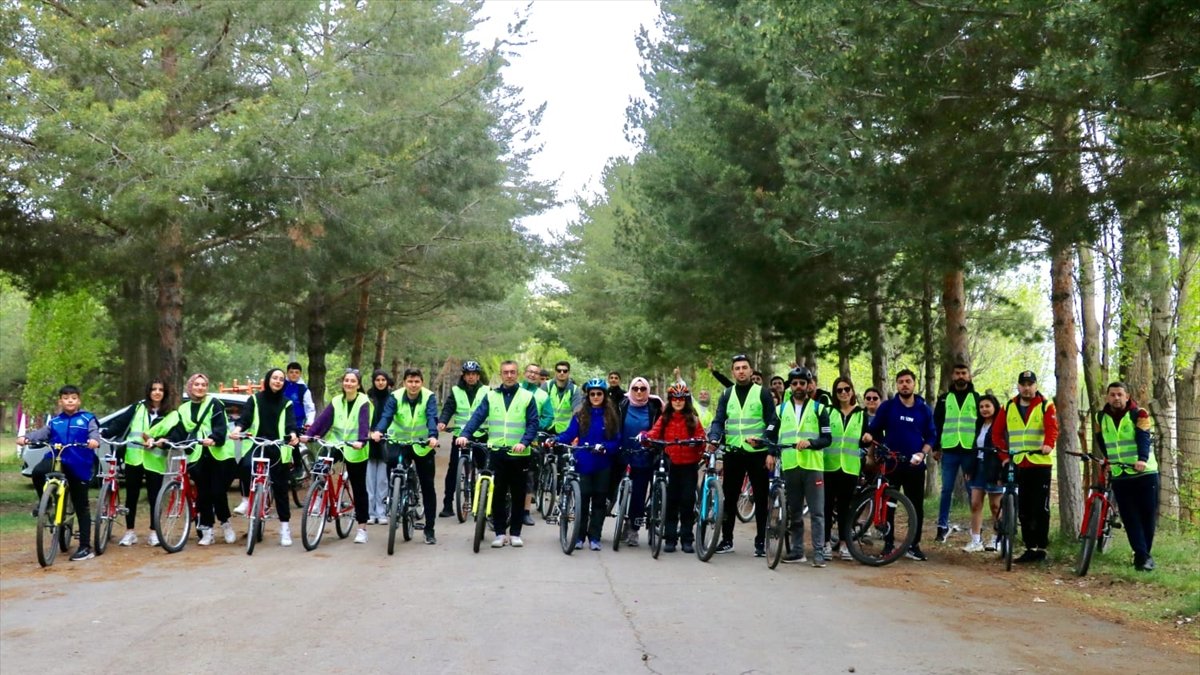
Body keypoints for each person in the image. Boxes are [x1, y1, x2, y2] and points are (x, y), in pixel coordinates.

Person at [147, 373, 236, 546]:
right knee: (203, 494)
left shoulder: (215, 403)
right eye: (196, 384)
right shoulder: (184, 409)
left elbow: (220, 426)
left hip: (219, 454)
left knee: (217, 492)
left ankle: (225, 523)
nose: (200, 387)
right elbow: (178, 432)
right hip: (197, 455)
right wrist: (165, 442)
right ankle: (207, 530)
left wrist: (215, 438)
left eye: (203, 384)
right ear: (190, 387)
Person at [457, 360, 539, 548]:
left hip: (519, 454)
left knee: (518, 494)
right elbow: (478, 416)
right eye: (505, 372)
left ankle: (516, 533)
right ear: (501, 375)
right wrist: (464, 435)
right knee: (498, 494)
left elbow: (533, 423)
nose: (509, 375)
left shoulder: (526, 397)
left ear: (517, 374)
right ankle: (500, 533)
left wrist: (523, 442)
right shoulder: (492, 396)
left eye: (512, 372)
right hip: (497, 452)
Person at [706, 354, 780, 556]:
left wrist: (767, 444)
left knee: (761, 498)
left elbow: (773, 421)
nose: (741, 371)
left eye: (744, 367)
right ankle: (726, 539)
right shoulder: (726, 394)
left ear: (751, 370)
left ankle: (760, 542)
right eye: (737, 368)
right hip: (733, 453)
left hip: (757, 453)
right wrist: (714, 437)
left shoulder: (762, 393)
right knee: (729, 498)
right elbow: (719, 419)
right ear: (732, 372)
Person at [17, 385, 101, 561]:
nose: (69, 400)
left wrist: (93, 440)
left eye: (73, 398)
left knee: (81, 505)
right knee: (38, 471)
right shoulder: (55, 421)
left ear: (79, 400)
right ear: (60, 401)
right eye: (66, 398)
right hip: (57, 458)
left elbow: (94, 432)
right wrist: (27, 438)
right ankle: (45, 503)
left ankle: (85, 547)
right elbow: (43, 433)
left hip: (79, 461)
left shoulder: (87, 418)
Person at [862, 369, 936, 561]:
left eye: (908, 381)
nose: (904, 384)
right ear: (897, 385)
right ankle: (888, 544)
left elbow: (931, 436)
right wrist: (871, 439)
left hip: (914, 466)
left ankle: (914, 545)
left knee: (916, 506)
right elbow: (875, 429)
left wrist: (923, 452)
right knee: (889, 505)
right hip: (891, 464)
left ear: (914, 384)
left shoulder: (923, 409)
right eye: (901, 381)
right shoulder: (888, 407)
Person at [991, 370, 1058, 564]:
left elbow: (1053, 429)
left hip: (1040, 463)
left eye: (1030, 384)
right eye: (1023, 384)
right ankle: (1029, 548)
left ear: (1035, 386)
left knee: (1040, 508)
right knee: (1024, 508)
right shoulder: (1009, 406)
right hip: (1017, 463)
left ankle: (1041, 548)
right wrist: (1004, 456)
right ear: (1018, 386)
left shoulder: (1046, 406)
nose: (1027, 388)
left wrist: (1048, 445)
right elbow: (997, 434)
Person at [230, 368, 301, 546]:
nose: (277, 381)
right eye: (274, 378)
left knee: (281, 488)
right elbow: (245, 419)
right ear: (268, 379)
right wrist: (238, 430)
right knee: (245, 466)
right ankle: (247, 500)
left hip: (278, 447)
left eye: (281, 379)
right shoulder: (255, 399)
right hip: (258, 444)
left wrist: (292, 434)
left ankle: (284, 528)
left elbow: (291, 423)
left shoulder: (287, 403)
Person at [1093, 382, 1157, 571]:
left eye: (1120, 394)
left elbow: (1143, 436)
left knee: (1147, 515)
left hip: (1144, 472)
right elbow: (1101, 440)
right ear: (1107, 397)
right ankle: (1142, 556)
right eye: (1112, 394)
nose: (1116, 398)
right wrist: (1107, 458)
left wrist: (1142, 459)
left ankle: (1143, 555)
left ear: (1127, 396)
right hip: (1120, 473)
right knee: (1130, 517)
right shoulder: (1100, 417)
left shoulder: (1140, 414)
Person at [303, 369, 373, 543]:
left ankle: (362, 528)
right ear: (343, 383)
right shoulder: (336, 401)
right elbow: (323, 420)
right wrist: (310, 434)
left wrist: (362, 440)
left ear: (358, 384)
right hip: (336, 443)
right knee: (320, 466)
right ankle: (319, 495)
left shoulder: (363, 401)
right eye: (346, 380)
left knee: (358, 488)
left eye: (352, 381)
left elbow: (364, 423)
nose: (348, 383)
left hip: (356, 447)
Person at [371, 368, 440, 545]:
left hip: (422, 444)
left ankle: (429, 529)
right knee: (392, 464)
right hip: (398, 441)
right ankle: (393, 500)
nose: (413, 385)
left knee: (427, 486)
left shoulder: (429, 396)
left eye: (417, 381)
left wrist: (433, 436)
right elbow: (386, 416)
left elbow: (432, 417)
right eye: (410, 381)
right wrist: (379, 431)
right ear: (404, 383)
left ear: (421, 383)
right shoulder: (395, 397)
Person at [773, 368, 832, 566]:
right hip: (790, 466)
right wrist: (763, 446)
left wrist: (811, 442)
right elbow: (771, 434)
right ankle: (797, 551)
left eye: (802, 383)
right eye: (795, 383)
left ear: (808, 386)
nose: (799, 387)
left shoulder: (819, 408)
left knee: (817, 512)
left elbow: (827, 439)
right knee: (794, 511)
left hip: (812, 466)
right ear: (790, 386)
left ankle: (819, 552)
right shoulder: (780, 409)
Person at [103, 380, 170, 548]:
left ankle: (154, 532)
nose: (157, 392)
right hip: (134, 458)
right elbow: (120, 424)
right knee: (131, 496)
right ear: (148, 391)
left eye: (160, 389)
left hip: (155, 460)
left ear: (165, 392)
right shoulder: (138, 407)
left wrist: (164, 441)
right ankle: (130, 532)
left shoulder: (169, 412)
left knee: (155, 497)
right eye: (153, 389)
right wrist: (103, 432)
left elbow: (173, 433)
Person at [556, 378, 620, 550]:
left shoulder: (611, 416)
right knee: (582, 501)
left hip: (603, 464)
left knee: (599, 502)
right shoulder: (580, 415)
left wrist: (605, 447)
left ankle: (595, 537)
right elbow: (569, 434)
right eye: (592, 394)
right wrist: (555, 439)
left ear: (604, 395)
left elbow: (616, 441)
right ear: (588, 396)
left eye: (599, 394)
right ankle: (579, 537)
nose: (596, 397)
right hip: (583, 463)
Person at [642, 383, 706, 553]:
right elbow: (654, 433)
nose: (678, 402)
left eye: (681, 399)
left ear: (686, 401)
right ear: (670, 401)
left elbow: (701, 437)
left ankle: (687, 539)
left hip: (689, 465)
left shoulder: (692, 417)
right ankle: (670, 539)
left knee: (687, 502)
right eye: (674, 399)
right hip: (672, 463)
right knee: (671, 502)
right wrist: (645, 437)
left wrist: (697, 442)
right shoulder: (665, 418)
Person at [933, 363, 981, 543]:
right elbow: (937, 423)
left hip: (970, 450)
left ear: (969, 376)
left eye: (964, 373)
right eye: (957, 373)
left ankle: (976, 530)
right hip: (950, 449)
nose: (961, 376)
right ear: (952, 376)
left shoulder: (977, 398)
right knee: (946, 490)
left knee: (972, 491)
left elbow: (981, 424)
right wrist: (936, 447)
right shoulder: (944, 399)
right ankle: (942, 526)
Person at [617, 376, 664, 546]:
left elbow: (661, 427)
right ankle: (621, 519)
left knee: (638, 494)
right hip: (623, 453)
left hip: (645, 455)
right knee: (618, 491)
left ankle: (633, 530)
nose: (638, 392)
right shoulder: (622, 404)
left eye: (642, 389)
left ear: (647, 391)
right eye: (635, 388)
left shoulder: (654, 407)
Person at [438, 360, 488, 517]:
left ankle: (483, 504)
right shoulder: (456, 391)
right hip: (460, 436)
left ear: (478, 376)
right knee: (453, 469)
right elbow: (448, 408)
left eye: (474, 374)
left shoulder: (487, 391)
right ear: (464, 376)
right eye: (468, 374)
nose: (471, 377)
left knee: (485, 469)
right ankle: (447, 505)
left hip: (481, 435)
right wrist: (443, 421)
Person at [824, 376, 866, 561]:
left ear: (852, 390)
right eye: (839, 390)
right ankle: (825, 543)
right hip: (829, 466)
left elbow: (869, 438)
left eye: (846, 389)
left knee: (845, 508)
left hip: (850, 467)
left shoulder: (861, 414)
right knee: (825, 506)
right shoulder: (828, 412)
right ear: (835, 393)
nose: (843, 393)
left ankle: (843, 544)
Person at [962, 394, 1003, 553]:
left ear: (994, 407)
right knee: (975, 503)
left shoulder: (1000, 425)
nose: (984, 410)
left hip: (994, 467)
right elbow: (974, 448)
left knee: (995, 506)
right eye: (981, 407)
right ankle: (975, 540)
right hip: (978, 467)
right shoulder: (979, 425)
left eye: (987, 406)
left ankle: (997, 539)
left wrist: (1001, 473)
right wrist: (969, 469)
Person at [520, 363, 554, 525]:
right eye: (530, 372)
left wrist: (535, 426)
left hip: (532, 441)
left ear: (540, 376)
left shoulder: (542, 396)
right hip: (512, 439)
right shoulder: (515, 389)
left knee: (530, 476)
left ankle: (526, 511)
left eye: (536, 373)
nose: (532, 375)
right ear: (524, 373)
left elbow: (548, 417)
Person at [365, 369, 394, 524]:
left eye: (383, 379)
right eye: (377, 380)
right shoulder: (368, 397)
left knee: (382, 480)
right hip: (369, 440)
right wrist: (368, 432)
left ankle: (381, 512)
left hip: (385, 440)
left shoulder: (392, 398)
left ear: (387, 381)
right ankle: (370, 512)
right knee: (369, 479)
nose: (380, 382)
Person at [548, 361, 583, 435]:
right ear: (555, 372)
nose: (562, 373)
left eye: (565, 371)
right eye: (559, 370)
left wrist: (574, 431)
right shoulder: (547, 386)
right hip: (546, 428)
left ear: (568, 373)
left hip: (565, 432)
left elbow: (577, 412)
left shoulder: (575, 390)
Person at [283, 362, 316, 431]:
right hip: (279, 424)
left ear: (300, 374)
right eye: (291, 372)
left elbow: (310, 409)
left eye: (296, 372)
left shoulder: (304, 390)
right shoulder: (281, 385)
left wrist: (309, 423)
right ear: (287, 373)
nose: (294, 374)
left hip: (296, 426)